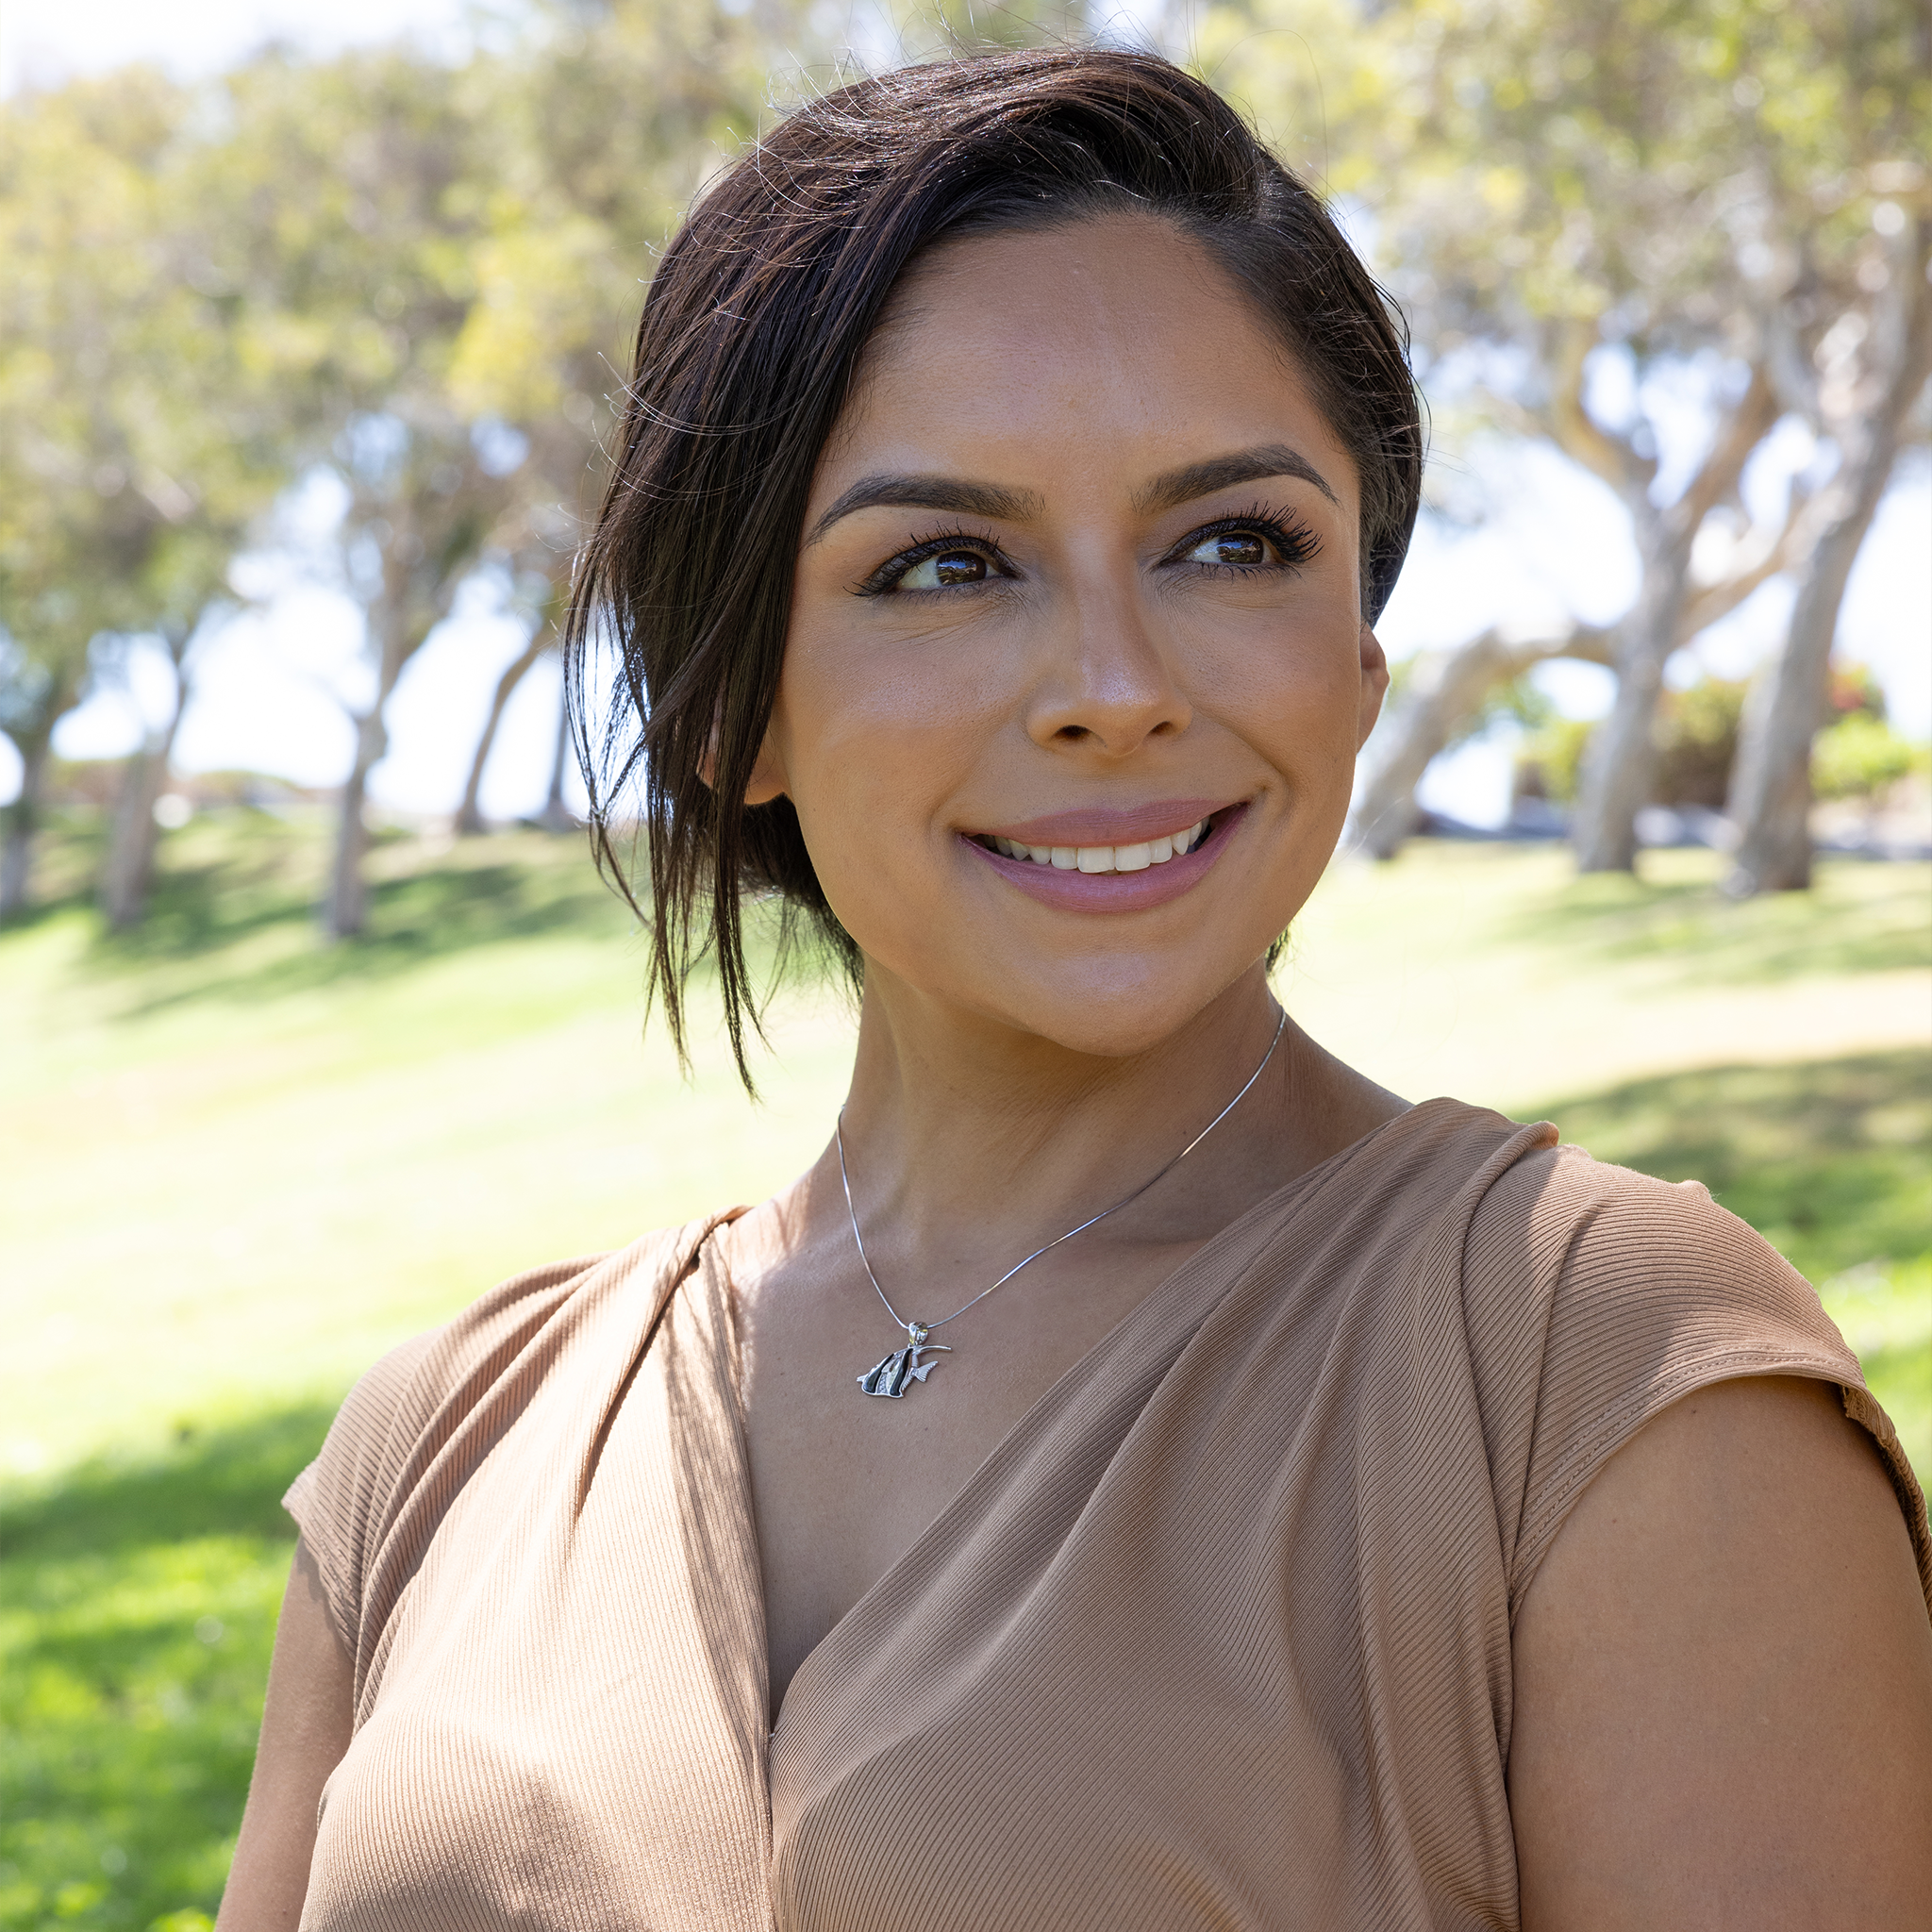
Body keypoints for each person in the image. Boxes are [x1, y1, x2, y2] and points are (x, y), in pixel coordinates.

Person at [216, 47, 1932, 1932]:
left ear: (1355, 662)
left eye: (1231, 542)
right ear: (730, 705)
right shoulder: (437, 1442)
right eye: (946, 562)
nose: (1114, 682)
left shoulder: (1595, 1378)